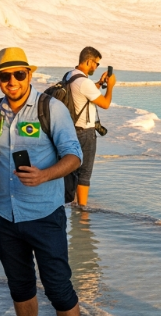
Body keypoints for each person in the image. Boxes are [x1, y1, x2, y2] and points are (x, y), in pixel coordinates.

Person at [0, 47, 83, 316]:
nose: (12, 81)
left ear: (29, 74)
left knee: (58, 290)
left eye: (19, 74)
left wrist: (44, 175)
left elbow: (74, 155)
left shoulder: (51, 108)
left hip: (44, 216)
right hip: (4, 217)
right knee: (19, 288)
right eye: (5, 76)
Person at [63, 46, 116, 206]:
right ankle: (82, 211)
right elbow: (105, 104)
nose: (96, 67)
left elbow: (84, 94)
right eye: (96, 64)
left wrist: (100, 83)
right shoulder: (84, 82)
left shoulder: (70, 76)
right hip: (85, 133)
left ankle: (74, 202)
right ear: (89, 61)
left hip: (70, 130)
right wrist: (111, 86)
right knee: (84, 173)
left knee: (73, 171)